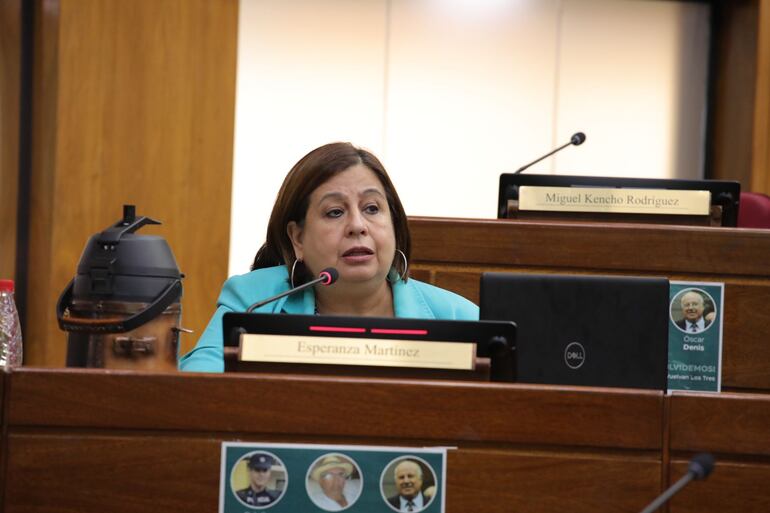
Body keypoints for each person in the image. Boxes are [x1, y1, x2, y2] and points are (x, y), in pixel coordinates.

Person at [179, 142, 479, 372]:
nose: (357, 226)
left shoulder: (458, 317)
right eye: (335, 212)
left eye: (372, 208)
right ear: (298, 238)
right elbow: (199, 384)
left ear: (395, 227)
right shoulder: (255, 302)